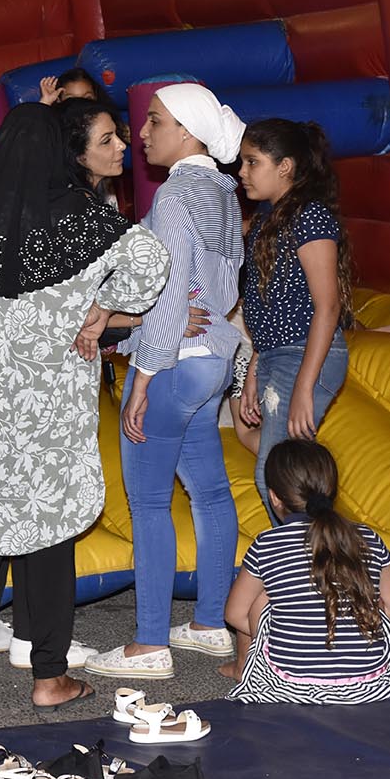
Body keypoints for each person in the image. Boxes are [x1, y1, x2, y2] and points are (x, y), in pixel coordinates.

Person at [0, 102, 170, 711]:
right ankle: (49, 679)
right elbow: (151, 264)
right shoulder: (83, 221)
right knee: (48, 537)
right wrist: (105, 308)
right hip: (53, 413)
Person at [88, 83, 246, 680]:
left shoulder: (177, 195)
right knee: (209, 492)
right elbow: (218, 287)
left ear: (186, 130)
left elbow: (168, 289)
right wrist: (189, 314)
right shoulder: (223, 190)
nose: (142, 132)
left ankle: (150, 642)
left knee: (149, 502)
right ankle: (209, 624)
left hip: (173, 362)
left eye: (153, 121)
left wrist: (146, 372)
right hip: (212, 360)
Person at [222, 440, 390, 703]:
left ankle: (245, 668)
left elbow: (235, 614)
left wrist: (281, 630)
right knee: (362, 594)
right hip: (368, 683)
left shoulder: (267, 544)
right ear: (332, 490)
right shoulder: (366, 536)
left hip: (290, 686)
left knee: (261, 598)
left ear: (274, 496)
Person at [234, 119, 352, 522]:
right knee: (282, 473)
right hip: (276, 356)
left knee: (276, 471)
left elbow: (328, 306)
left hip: (305, 354)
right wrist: (253, 372)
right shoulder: (267, 222)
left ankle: (307, 569)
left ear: (284, 166)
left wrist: (304, 386)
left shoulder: (311, 217)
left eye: (252, 162)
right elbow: (263, 309)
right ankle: (311, 564)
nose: (242, 172)